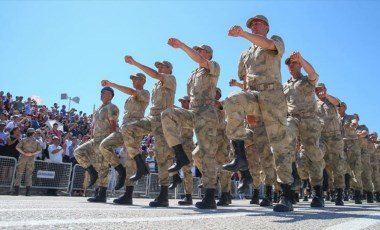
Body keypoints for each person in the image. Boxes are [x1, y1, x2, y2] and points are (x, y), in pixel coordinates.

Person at [222, 15, 292, 212]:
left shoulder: (275, 40)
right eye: (251, 24)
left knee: (279, 146)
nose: (254, 26)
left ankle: (285, 194)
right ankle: (240, 156)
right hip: (253, 95)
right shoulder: (245, 53)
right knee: (232, 100)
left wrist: (242, 34)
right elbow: (244, 79)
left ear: (267, 27)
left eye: (258, 23)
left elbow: (268, 45)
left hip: (272, 95)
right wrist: (247, 111)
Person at [162, 39, 220, 209]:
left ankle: (209, 195)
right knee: (167, 114)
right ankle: (180, 154)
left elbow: (201, 61)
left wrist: (181, 46)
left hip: (207, 113)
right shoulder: (193, 73)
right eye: (198, 50)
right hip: (193, 112)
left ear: (209, 54)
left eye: (203, 51)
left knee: (207, 153)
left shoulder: (213, 66)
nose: (200, 53)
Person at [122, 56, 176, 207]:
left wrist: (135, 63)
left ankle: (164, 194)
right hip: (152, 118)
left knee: (161, 156)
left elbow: (156, 75)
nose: (160, 68)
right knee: (127, 129)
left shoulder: (171, 78)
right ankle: (140, 165)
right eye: (159, 66)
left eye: (163, 66)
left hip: (163, 120)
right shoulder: (156, 85)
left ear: (169, 69)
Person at [100, 73, 150, 205]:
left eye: (136, 78)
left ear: (143, 80)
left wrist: (111, 84)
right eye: (132, 79)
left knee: (131, 161)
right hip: (124, 127)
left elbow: (133, 92)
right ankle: (120, 170)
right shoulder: (129, 97)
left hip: (135, 127)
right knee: (104, 146)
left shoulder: (144, 93)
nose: (134, 81)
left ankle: (128, 194)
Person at [283, 51, 324, 208]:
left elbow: (313, 73)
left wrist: (301, 58)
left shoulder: (307, 80)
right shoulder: (285, 85)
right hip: (292, 118)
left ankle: (318, 193)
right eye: (289, 63)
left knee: (313, 155)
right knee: (284, 141)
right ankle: (292, 178)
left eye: (294, 62)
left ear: (300, 65)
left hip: (309, 119)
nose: (291, 65)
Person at [74, 87, 119, 203]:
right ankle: (92, 172)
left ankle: (101, 194)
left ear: (110, 95)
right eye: (101, 92)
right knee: (78, 152)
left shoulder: (111, 107)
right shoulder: (99, 108)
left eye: (104, 93)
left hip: (105, 139)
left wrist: (112, 141)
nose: (102, 94)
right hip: (95, 139)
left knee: (103, 167)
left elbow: (114, 125)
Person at [315, 83, 346, 206]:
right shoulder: (313, 104)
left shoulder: (331, 101)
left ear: (325, 89)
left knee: (337, 166)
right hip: (321, 137)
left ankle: (339, 194)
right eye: (316, 90)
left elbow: (338, 103)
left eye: (321, 89)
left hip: (335, 137)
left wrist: (326, 95)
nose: (319, 91)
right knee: (318, 163)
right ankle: (319, 193)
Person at [169, 95, 195, 206]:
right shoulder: (180, 114)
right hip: (178, 142)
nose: (182, 103)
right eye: (182, 102)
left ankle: (188, 196)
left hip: (188, 143)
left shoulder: (190, 113)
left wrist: (172, 106)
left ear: (190, 102)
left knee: (187, 170)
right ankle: (175, 177)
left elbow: (178, 109)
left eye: (184, 102)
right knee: (167, 157)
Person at [338, 102, 363, 204]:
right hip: (340, 146)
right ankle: (342, 193)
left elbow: (354, 121)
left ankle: (357, 194)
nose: (338, 109)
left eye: (340, 107)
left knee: (355, 170)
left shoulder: (350, 117)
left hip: (352, 146)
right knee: (341, 169)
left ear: (344, 108)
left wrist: (353, 123)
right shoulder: (334, 119)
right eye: (337, 107)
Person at [12, 128, 42, 196]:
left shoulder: (23, 139)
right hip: (31, 158)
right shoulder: (36, 141)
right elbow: (40, 150)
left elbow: (17, 147)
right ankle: (27, 192)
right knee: (29, 174)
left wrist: (24, 153)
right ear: (33, 133)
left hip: (23, 156)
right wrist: (31, 154)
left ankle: (16, 191)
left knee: (19, 173)